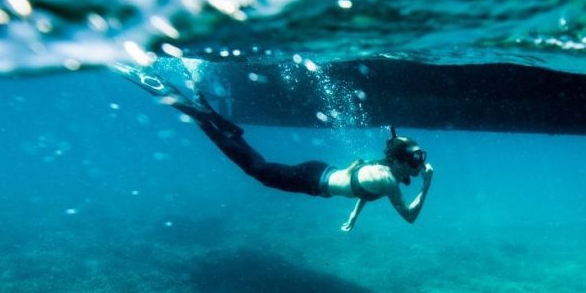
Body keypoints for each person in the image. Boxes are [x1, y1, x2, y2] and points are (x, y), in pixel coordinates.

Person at [124, 68, 433, 232]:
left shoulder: (384, 172)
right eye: (417, 159)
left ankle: (212, 117)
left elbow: (366, 189)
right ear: (398, 161)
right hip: (311, 180)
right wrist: (427, 185)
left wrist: (353, 215)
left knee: (259, 165)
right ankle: (202, 118)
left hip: (319, 170)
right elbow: (409, 217)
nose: (420, 164)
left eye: (421, 158)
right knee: (256, 170)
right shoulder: (388, 179)